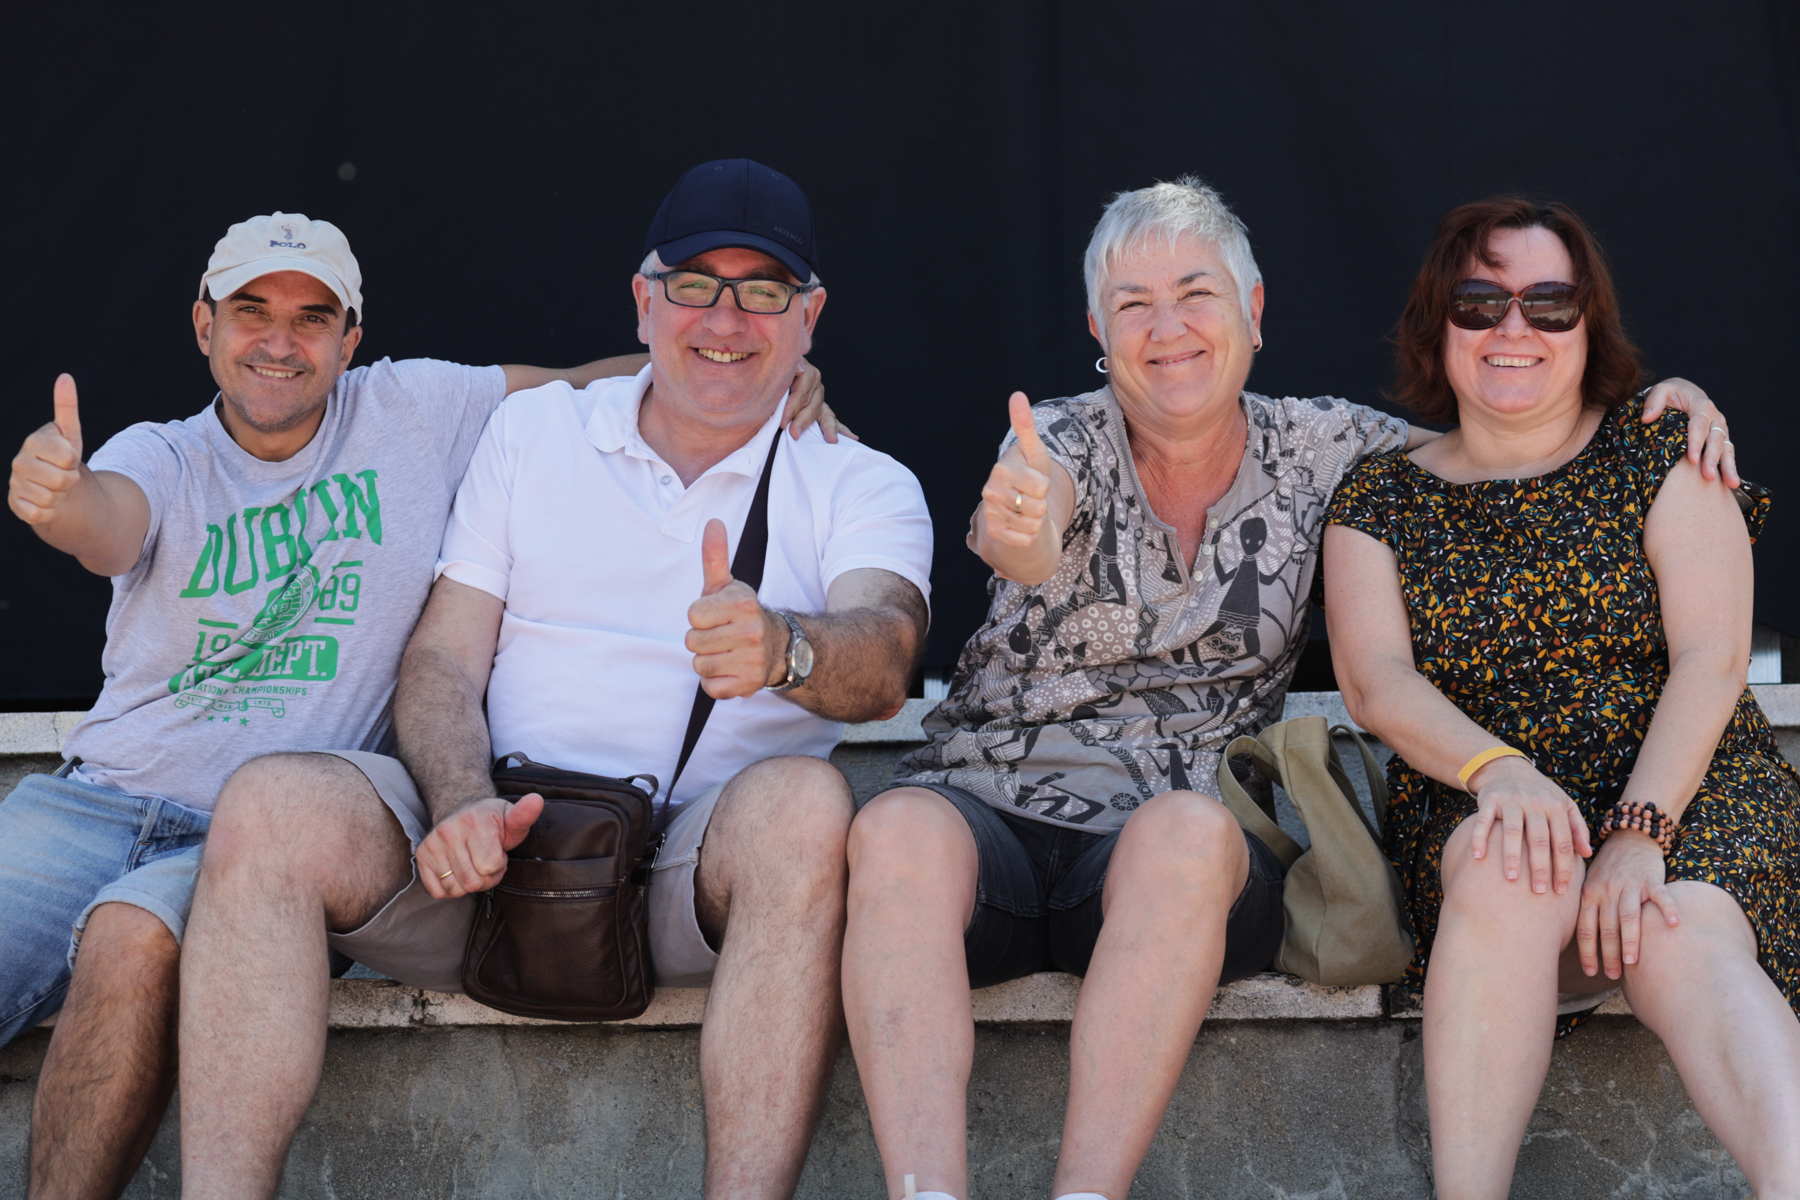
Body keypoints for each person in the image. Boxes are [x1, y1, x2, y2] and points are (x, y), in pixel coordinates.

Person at [840, 177, 1739, 1200]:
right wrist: (1017, 531)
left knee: (1186, 838)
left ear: (1253, 310)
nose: (1168, 329)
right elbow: (1027, 527)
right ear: (1098, 329)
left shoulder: (1327, 450)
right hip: (986, 812)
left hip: (1182, 849)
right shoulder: (1058, 439)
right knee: (896, 828)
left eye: (1196, 294)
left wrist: (1664, 407)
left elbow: (1509, 430)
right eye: (1134, 305)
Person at [2, 208, 838, 1200]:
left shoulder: (416, 407)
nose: (279, 342)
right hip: (95, 800)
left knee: (131, 938)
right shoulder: (162, 454)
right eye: (251, 311)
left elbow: (594, 380)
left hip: (259, 830)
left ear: (351, 338)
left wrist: (763, 373)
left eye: (313, 318)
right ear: (203, 326)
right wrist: (63, 502)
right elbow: (107, 523)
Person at [173, 159, 934, 1200]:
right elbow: (444, 657)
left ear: (810, 317)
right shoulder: (536, 431)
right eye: (694, 284)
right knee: (270, 804)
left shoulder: (861, 480)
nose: (725, 319)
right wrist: (460, 800)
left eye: (764, 291)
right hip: (488, 862)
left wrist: (784, 648)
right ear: (643, 300)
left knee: (806, 806)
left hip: (680, 878)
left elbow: (887, 654)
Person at [1323, 198, 1800, 1196]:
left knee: (1676, 930)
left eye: (1549, 303)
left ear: (1589, 326)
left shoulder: (1663, 451)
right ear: (1436, 323)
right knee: (1510, 863)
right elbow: (1375, 682)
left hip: (1684, 783)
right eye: (1479, 301)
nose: (1515, 327)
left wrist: (1638, 831)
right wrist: (1499, 772)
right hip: (1480, 794)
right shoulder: (1378, 497)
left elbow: (1712, 658)